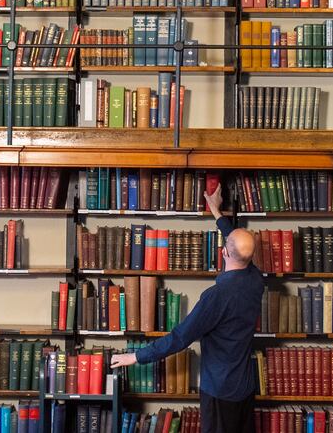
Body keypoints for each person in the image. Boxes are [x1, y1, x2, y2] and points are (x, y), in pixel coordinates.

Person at [111, 184, 264, 433]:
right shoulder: (256, 281)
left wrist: (136, 356)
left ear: (223, 252)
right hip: (244, 387)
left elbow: (180, 337)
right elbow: (239, 248)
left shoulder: (215, 297)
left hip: (219, 391)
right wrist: (217, 213)